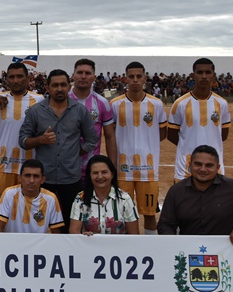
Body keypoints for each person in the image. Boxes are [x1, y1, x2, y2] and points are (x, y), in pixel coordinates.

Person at [19, 69, 98, 232]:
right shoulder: (36, 111)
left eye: (63, 85)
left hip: (70, 177)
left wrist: (75, 152)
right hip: (43, 177)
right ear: (47, 88)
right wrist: (40, 140)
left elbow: (92, 139)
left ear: (69, 87)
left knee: (71, 222)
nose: (60, 89)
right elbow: (23, 140)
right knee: (37, 221)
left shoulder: (80, 111)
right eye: (55, 85)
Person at [157, 145, 233, 246]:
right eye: (198, 164)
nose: (203, 169)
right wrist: (172, 244)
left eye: (209, 165)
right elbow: (166, 224)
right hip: (189, 252)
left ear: (218, 167)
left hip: (228, 253)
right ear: (190, 166)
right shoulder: (176, 191)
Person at [110, 62, 167, 234]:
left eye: (138, 76)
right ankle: (123, 248)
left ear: (144, 77)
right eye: (131, 76)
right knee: (119, 213)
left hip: (148, 169)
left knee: (149, 213)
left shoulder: (156, 104)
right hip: (122, 169)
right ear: (125, 78)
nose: (135, 80)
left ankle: (150, 247)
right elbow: (110, 134)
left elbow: (162, 133)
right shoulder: (114, 104)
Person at [168, 58, 231, 181]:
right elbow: (171, 135)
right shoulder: (180, 104)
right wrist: (188, 145)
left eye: (208, 73)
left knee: (214, 200)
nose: (204, 76)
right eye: (199, 72)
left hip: (214, 170)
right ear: (193, 75)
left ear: (213, 76)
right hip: (185, 170)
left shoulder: (222, 103)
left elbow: (223, 135)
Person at [0, 62, 44, 207]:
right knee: (2, 208)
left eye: (20, 76)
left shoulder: (39, 100)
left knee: (29, 207)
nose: (16, 80)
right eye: (12, 77)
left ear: (28, 79)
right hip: (4, 165)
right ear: (6, 79)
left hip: (29, 166)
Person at [69, 155, 139, 235]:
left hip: (119, 246)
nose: (100, 176)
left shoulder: (125, 199)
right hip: (90, 246)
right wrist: (84, 237)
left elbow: (134, 235)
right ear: (89, 176)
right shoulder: (80, 199)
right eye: (95, 173)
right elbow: (74, 232)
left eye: (104, 172)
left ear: (112, 174)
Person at [69, 58, 117, 171]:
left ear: (94, 78)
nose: (83, 76)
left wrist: (113, 166)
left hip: (91, 170)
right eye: (80, 72)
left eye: (88, 73)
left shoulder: (102, 103)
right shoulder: (62, 100)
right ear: (73, 76)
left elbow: (110, 137)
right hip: (65, 169)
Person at [0, 159, 63, 234]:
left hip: (38, 245)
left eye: (36, 176)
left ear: (42, 180)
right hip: (11, 244)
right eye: (27, 176)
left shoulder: (51, 198)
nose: (31, 180)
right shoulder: (9, 194)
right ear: (20, 178)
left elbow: (56, 232)